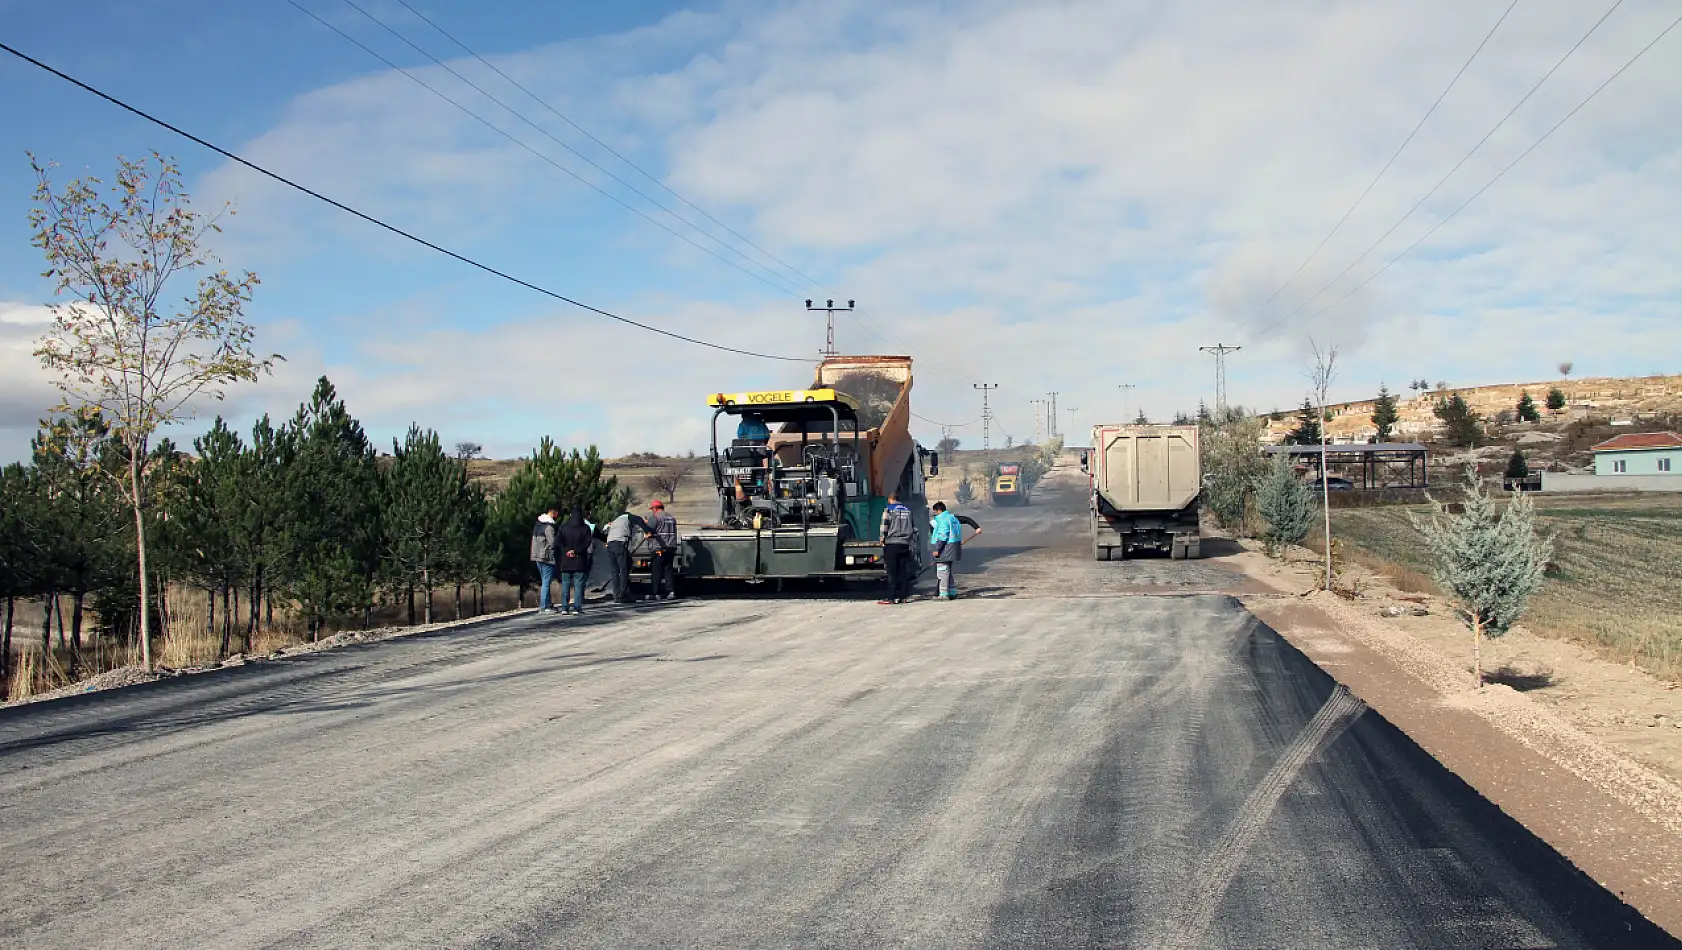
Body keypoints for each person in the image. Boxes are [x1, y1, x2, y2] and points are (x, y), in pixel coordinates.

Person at [602, 506, 652, 604]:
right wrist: (648, 531)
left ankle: (616, 595)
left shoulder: (616, 521)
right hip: (619, 545)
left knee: (615, 571)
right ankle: (623, 595)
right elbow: (639, 520)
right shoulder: (627, 517)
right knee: (623, 569)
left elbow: (605, 531)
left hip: (610, 545)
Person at [557, 504, 595, 615]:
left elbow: (558, 541)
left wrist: (567, 550)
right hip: (580, 560)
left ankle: (565, 607)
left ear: (570, 514)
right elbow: (587, 543)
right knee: (578, 585)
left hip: (566, 560)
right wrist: (576, 551)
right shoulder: (585, 528)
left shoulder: (564, 527)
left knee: (565, 584)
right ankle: (577, 608)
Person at [878, 492, 915, 605]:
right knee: (903, 572)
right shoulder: (908, 511)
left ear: (890, 499)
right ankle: (904, 597)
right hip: (905, 544)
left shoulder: (888, 510)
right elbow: (913, 527)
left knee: (892, 572)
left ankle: (891, 597)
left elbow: (885, 525)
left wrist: (882, 538)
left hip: (892, 544)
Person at [930, 501, 965, 600]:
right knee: (948, 571)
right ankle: (952, 591)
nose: (935, 514)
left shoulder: (943, 519)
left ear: (939, 510)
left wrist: (937, 549)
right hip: (953, 547)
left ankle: (943, 594)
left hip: (945, 548)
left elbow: (943, 535)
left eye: (936, 512)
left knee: (942, 571)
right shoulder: (953, 518)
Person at [646, 499, 680, 601]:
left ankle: (655, 593)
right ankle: (670, 592)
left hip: (659, 548)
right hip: (671, 548)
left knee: (656, 571)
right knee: (668, 570)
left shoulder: (655, 517)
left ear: (656, 508)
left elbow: (648, 530)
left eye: (652, 509)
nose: (652, 511)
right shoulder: (671, 517)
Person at [530, 503, 561, 613]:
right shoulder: (549, 526)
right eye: (557, 513)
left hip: (536, 556)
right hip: (547, 557)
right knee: (546, 582)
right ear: (554, 512)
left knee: (544, 581)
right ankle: (544, 606)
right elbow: (553, 543)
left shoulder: (538, 524)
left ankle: (548, 604)